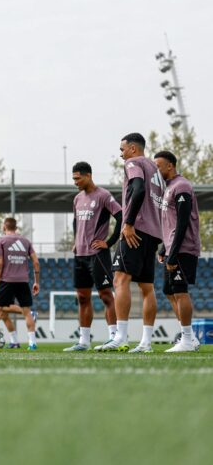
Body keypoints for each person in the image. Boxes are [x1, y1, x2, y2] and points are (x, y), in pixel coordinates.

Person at [96, 133, 165, 353]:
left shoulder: (133, 162)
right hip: (154, 232)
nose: (121, 153)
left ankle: (121, 337)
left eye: (123, 149)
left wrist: (129, 223)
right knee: (147, 287)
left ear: (133, 149)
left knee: (120, 279)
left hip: (136, 229)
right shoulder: (155, 169)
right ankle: (146, 342)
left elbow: (138, 188)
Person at [65, 162, 122, 352]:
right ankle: (84, 341)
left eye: (77, 178)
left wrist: (109, 241)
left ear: (88, 175)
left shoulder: (104, 195)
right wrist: (76, 240)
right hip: (79, 254)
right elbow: (75, 222)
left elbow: (122, 217)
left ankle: (114, 337)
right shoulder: (77, 199)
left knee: (106, 295)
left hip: (98, 254)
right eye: (73, 178)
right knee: (82, 297)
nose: (75, 182)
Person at [154, 151, 201, 353]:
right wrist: (164, 247)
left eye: (159, 166)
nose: (157, 170)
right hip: (173, 247)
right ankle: (189, 337)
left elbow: (182, 223)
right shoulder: (169, 188)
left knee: (180, 291)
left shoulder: (182, 186)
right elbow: (170, 223)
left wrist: (173, 253)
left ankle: (188, 340)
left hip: (183, 248)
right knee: (169, 290)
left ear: (170, 166)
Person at [0, 218, 40, 350]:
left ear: (4, 227)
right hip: (23, 280)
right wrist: (36, 281)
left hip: (6, 281)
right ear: (15, 227)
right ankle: (32, 343)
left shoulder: (1, 241)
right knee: (27, 312)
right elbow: (35, 262)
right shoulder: (26, 241)